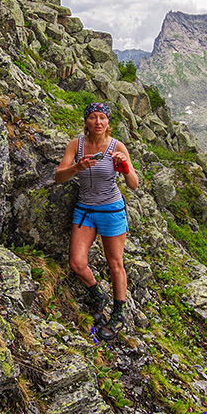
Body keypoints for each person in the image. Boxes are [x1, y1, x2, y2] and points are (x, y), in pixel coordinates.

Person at [54, 101, 139, 340]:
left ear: (108, 122)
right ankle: (97, 294)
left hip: (111, 209)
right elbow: (59, 177)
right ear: (87, 122)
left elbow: (134, 184)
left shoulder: (116, 146)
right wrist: (77, 167)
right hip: (85, 209)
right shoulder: (76, 145)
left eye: (102, 117)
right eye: (93, 117)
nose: (98, 122)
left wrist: (124, 168)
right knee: (77, 262)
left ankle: (118, 314)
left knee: (115, 264)